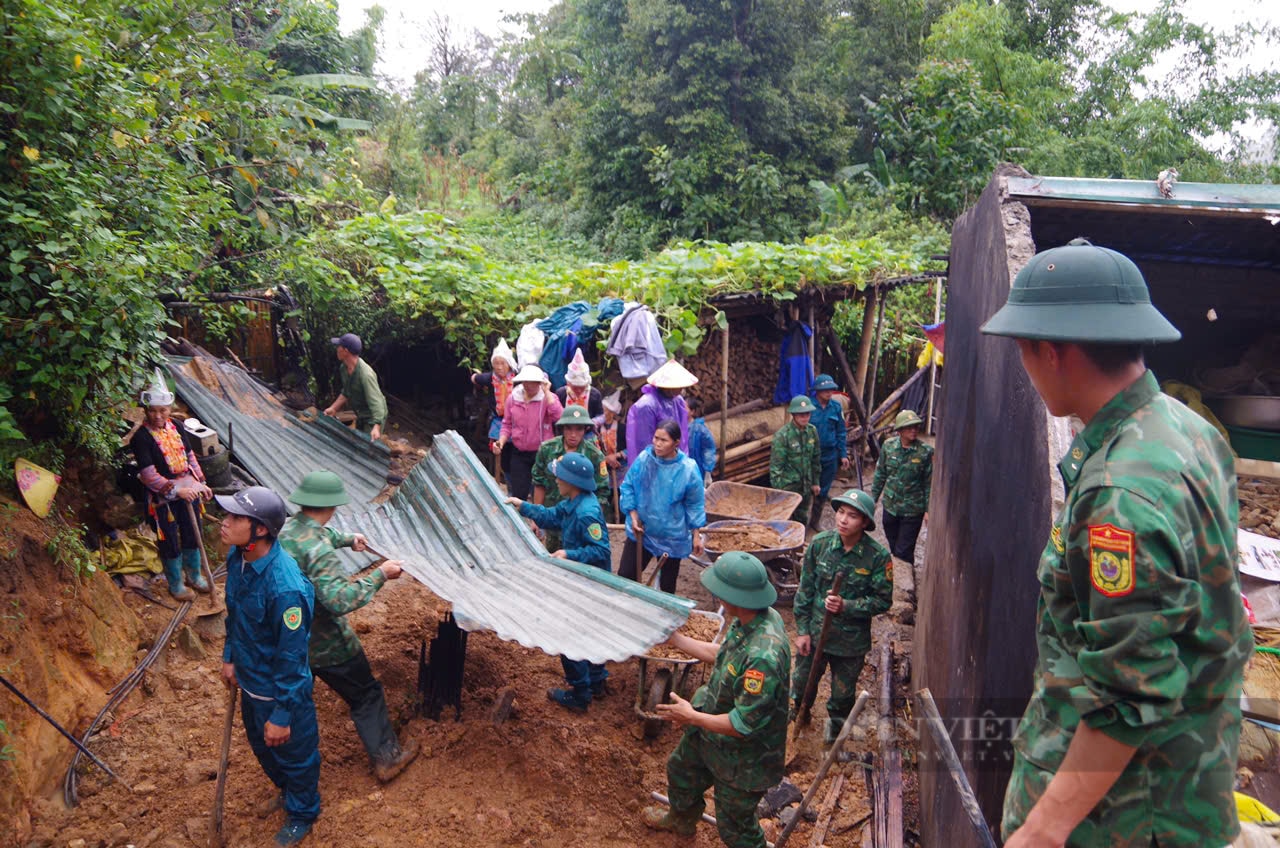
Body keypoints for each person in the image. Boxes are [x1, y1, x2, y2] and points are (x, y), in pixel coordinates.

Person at [980, 238, 1250, 847]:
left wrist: (1043, 830)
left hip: (1126, 815)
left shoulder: (1118, 497)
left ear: (1052, 353)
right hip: (1188, 773)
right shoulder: (1190, 431)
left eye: (1024, 352)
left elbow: (1131, 694)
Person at [278, 471, 421, 784]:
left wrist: (347, 539)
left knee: (296, 705)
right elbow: (340, 600)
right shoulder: (319, 551)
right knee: (366, 694)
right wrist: (380, 574)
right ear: (331, 507)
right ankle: (387, 758)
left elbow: (318, 537)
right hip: (328, 645)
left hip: (293, 641)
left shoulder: (289, 529)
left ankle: (294, 776)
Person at [642, 552, 791, 848]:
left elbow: (741, 724)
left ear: (733, 597)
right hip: (711, 727)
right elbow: (722, 654)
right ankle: (681, 820)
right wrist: (676, 640)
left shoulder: (764, 657)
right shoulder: (749, 616)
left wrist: (690, 716)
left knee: (734, 826)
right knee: (681, 770)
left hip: (745, 758)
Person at [216, 487, 319, 847]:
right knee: (264, 749)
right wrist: (230, 655)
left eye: (233, 518)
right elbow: (235, 612)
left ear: (260, 530)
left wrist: (283, 714)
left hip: (280, 694)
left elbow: (293, 659)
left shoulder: (285, 589)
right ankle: (288, 792)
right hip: (251, 684)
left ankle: (303, 812)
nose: (223, 522)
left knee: (297, 758)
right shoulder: (238, 558)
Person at [505, 453, 613, 712]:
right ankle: (597, 680)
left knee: (568, 634)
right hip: (581, 579)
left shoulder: (587, 513)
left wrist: (569, 554)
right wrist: (523, 506)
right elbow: (552, 517)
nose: (556, 478)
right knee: (590, 630)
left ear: (572, 481)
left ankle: (581, 693)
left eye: (560, 475)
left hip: (588, 583)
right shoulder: (573, 502)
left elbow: (602, 551)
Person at [790, 489, 891, 744]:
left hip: (850, 643)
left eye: (853, 516)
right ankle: (798, 722)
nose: (843, 520)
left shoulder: (877, 557)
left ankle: (833, 742)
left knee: (841, 697)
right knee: (801, 686)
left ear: (865, 522)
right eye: (841, 512)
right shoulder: (820, 545)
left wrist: (847, 605)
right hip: (815, 634)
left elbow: (882, 601)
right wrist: (802, 630)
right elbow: (805, 590)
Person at [130, 368, 213, 601]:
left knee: (192, 531)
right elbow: (148, 475)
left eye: (163, 410)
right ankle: (176, 584)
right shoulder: (141, 438)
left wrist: (201, 483)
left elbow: (190, 456)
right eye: (153, 411)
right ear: (146, 410)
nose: (158, 416)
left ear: (170, 409)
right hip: (162, 497)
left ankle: (194, 576)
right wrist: (177, 490)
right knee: (168, 537)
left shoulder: (176, 426)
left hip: (188, 488)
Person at [618, 420, 707, 594]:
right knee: (626, 575)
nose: (657, 444)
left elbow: (695, 504)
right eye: (656, 438)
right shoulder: (644, 460)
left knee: (667, 586)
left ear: (676, 442)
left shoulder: (688, 469)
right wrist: (633, 515)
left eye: (663, 440)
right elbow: (628, 486)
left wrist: (696, 535)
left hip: (671, 536)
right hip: (642, 530)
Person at [530, 405, 610, 550]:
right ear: (563, 429)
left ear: (585, 429)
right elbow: (539, 483)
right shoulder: (547, 449)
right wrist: (537, 517)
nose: (573, 434)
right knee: (554, 562)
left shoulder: (594, 455)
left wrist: (590, 521)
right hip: (553, 518)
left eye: (578, 429)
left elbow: (602, 493)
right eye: (569, 428)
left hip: (579, 522)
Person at [870, 409, 933, 564]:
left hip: (912, 510)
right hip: (890, 507)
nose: (914, 430)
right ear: (899, 430)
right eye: (909, 427)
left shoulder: (925, 452)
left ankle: (905, 586)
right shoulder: (888, 446)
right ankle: (900, 574)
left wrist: (927, 510)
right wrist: (872, 500)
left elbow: (929, 483)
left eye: (916, 426)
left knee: (903, 550)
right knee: (894, 546)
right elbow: (880, 475)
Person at [492, 365, 563, 500]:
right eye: (527, 382)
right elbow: (507, 424)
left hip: (543, 453)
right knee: (518, 493)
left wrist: (547, 392)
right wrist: (501, 441)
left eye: (534, 382)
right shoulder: (513, 399)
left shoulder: (547, 398)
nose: (529, 386)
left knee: (543, 494)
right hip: (520, 452)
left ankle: (537, 521)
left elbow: (559, 417)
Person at [323, 333, 388, 441]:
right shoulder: (344, 368)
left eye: (338, 346)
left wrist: (376, 426)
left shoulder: (366, 375)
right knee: (359, 442)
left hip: (374, 415)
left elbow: (377, 403)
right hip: (361, 413)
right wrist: (333, 408)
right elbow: (346, 392)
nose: (337, 349)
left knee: (368, 447)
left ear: (345, 351)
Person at [627, 359, 696, 458]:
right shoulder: (647, 405)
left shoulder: (678, 401)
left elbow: (682, 435)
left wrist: (681, 460)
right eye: (679, 386)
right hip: (655, 461)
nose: (682, 389)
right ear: (670, 386)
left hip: (673, 458)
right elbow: (644, 443)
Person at [770, 395, 821, 527]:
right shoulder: (783, 436)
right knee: (783, 520)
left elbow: (815, 459)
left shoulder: (812, 431)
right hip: (788, 486)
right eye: (801, 415)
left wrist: (815, 482)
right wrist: (778, 491)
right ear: (793, 414)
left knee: (802, 517)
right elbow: (776, 467)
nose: (805, 417)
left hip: (805, 485)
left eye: (807, 414)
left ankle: (800, 544)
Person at [809, 374, 850, 528]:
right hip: (810, 455)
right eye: (825, 390)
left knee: (824, 488)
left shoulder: (836, 407)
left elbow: (841, 431)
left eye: (831, 389)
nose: (829, 392)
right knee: (807, 488)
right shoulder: (809, 406)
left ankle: (815, 521)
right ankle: (799, 523)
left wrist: (843, 454)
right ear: (817, 391)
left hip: (830, 454)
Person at [470, 339, 518, 447]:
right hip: (498, 418)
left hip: (517, 420)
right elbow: (474, 378)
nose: (499, 367)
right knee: (497, 446)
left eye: (502, 363)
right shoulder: (489, 378)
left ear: (509, 364)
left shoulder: (518, 378)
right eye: (496, 363)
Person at [593, 389, 627, 514]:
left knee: (621, 494)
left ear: (612, 413)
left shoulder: (623, 428)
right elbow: (592, 446)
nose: (604, 413)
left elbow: (631, 448)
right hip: (602, 466)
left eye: (606, 410)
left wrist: (616, 455)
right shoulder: (595, 429)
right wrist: (606, 458)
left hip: (620, 467)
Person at [555, 349, 604, 419]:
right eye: (575, 387)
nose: (578, 390)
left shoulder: (595, 394)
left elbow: (601, 415)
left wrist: (593, 423)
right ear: (568, 383)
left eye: (582, 387)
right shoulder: (561, 393)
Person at [687, 396, 718, 484]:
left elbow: (709, 448)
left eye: (684, 407)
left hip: (696, 470)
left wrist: (708, 471)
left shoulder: (699, 429)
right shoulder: (676, 426)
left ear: (692, 411)